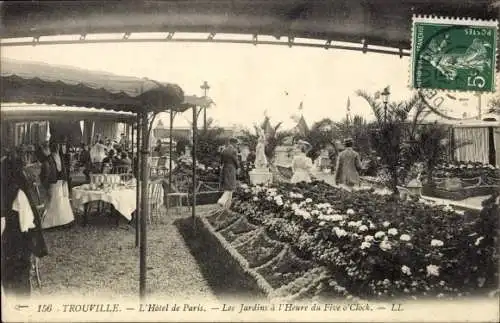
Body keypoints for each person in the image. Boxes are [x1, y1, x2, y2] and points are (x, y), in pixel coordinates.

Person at [1, 150, 48, 297]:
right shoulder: (18, 191)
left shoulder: (12, 192)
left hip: (12, 242)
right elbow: (27, 222)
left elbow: (25, 223)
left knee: (14, 277)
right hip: (15, 240)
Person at [39, 142, 75, 229]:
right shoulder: (52, 159)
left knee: (58, 201)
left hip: (58, 182)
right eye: (57, 147)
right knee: (56, 201)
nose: (58, 149)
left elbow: (62, 170)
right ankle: (56, 222)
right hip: (55, 182)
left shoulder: (54, 158)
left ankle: (60, 221)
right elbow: (48, 172)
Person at [217, 138, 240, 210]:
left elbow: (220, 161)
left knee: (228, 186)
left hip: (224, 168)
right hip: (231, 168)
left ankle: (228, 205)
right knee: (231, 186)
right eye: (236, 144)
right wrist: (238, 168)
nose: (236, 145)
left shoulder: (224, 150)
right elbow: (235, 160)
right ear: (233, 143)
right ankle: (222, 200)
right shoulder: (233, 150)